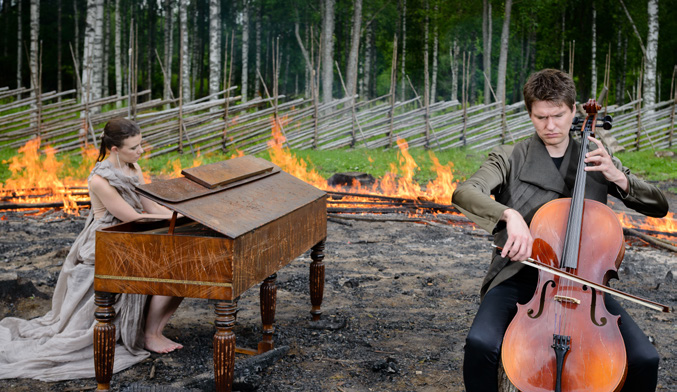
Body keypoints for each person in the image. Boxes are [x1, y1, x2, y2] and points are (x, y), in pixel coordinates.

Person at [452, 69, 669, 392]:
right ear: (530, 114)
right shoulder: (511, 156)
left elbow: (659, 207)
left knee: (644, 359)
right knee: (481, 344)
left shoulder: (596, 157)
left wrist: (619, 178)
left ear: (573, 111)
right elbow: (466, 191)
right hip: (520, 275)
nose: (550, 126)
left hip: (586, 285)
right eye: (540, 117)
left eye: (558, 116)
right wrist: (509, 215)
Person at [0, 118, 184, 382]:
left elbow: (150, 207)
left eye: (140, 145)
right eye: (134, 147)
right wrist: (171, 221)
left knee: (185, 261)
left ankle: (152, 330)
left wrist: (182, 216)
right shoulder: (99, 179)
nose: (140, 151)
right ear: (115, 150)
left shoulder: (135, 166)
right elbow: (131, 217)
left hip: (135, 232)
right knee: (168, 265)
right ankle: (147, 334)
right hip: (108, 239)